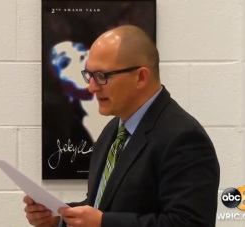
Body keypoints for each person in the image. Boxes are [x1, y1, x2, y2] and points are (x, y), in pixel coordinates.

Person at [24, 24, 220, 227]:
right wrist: (60, 217)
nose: (91, 87)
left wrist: (104, 223)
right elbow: (103, 205)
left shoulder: (183, 138)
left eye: (102, 76)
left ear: (141, 77)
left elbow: (190, 223)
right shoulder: (113, 130)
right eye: (89, 75)